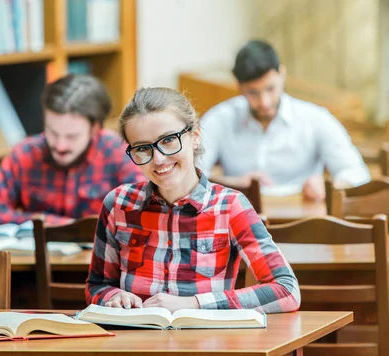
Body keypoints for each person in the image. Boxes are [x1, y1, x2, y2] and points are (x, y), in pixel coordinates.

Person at [85, 87, 301, 313]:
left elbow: (287, 290)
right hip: (136, 343)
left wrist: (193, 304)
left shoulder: (229, 206)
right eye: (142, 148)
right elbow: (97, 286)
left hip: (205, 344)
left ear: (195, 136)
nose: (158, 159)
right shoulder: (118, 204)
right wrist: (114, 296)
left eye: (168, 140)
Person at [198, 39, 370, 201]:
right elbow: (192, 174)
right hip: (239, 220)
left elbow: (357, 172)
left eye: (270, 89)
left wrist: (330, 187)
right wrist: (236, 184)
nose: (264, 102)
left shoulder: (315, 118)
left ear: (282, 74)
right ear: (239, 85)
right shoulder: (220, 118)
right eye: (253, 93)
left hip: (303, 220)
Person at [0, 74, 144, 228]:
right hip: (39, 261)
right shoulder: (26, 153)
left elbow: (144, 213)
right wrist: (57, 225)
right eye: (52, 133)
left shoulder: (119, 153)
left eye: (72, 136)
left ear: (95, 129)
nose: (60, 146)